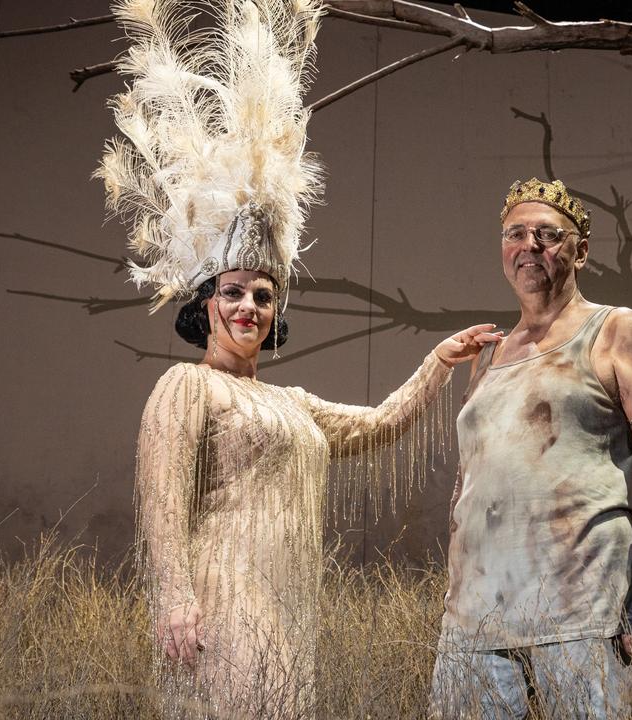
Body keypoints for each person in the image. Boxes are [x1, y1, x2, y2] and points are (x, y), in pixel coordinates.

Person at [98, 1, 498, 713]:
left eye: (262, 295)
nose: (248, 306)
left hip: (289, 612)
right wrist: (174, 599)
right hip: (219, 605)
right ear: (205, 305)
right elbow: (160, 504)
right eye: (233, 293)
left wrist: (438, 361)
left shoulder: (292, 402)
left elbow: (379, 423)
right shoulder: (185, 388)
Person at [429, 178, 632, 719]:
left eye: (548, 235)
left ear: (580, 251)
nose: (530, 245)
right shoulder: (487, 357)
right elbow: (473, 477)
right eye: (515, 233)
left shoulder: (614, 329)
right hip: (475, 615)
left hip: (578, 605)